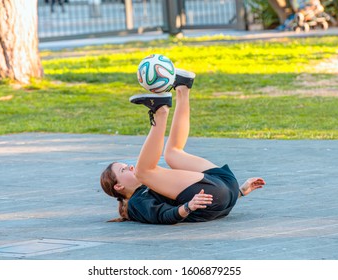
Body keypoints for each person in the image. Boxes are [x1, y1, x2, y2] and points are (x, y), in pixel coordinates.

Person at [100, 68, 266, 224]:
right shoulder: (136, 203)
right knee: (144, 171)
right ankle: (160, 111)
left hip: (226, 187)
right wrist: (187, 208)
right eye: (123, 170)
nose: (129, 167)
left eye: (125, 166)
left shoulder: (152, 185)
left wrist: (240, 191)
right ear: (118, 186)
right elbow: (163, 216)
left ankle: (183, 87)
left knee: (172, 153)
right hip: (216, 195)